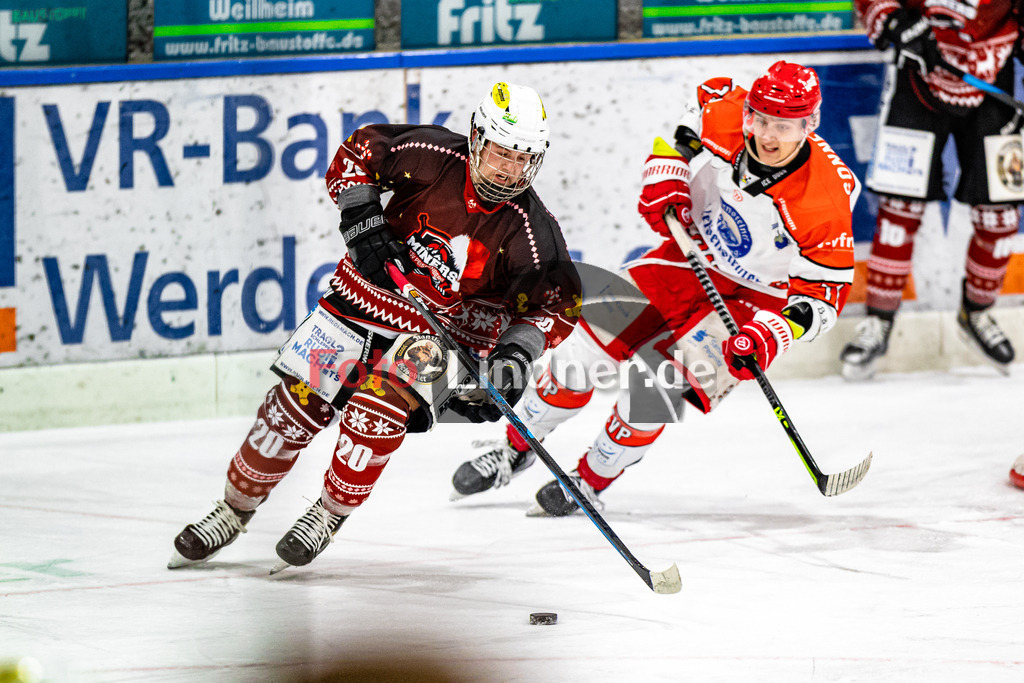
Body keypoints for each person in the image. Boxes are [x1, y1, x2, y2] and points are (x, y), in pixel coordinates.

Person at [168, 82, 580, 571]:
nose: (511, 170)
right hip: (360, 303)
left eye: (523, 159)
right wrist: (363, 220)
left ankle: (327, 514)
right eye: (502, 153)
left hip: (443, 338)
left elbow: (557, 304)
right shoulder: (430, 154)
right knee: (292, 410)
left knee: (377, 412)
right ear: (475, 137)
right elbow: (356, 152)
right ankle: (233, 510)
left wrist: (513, 358)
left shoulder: (532, 230)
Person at [450, 61, 860, 516]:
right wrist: (668, 171)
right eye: (760, 119)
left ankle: (589, 479)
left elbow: (823, 300)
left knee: (654, 389)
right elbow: (687, 126)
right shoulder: (724, 107)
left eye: (784, 125)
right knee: (581, 352)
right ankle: (515, 446)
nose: (767, 135)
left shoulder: (827, 199)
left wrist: (772, 335)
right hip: (686, 258)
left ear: (811, 123)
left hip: (757, 302)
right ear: (747, 112)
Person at [840, 0, 1021, 380]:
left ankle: (977, 311)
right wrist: (893, 20)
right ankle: (879, 321)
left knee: (1001, 215)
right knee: (899, 209)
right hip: (918, 75)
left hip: (993, 74)